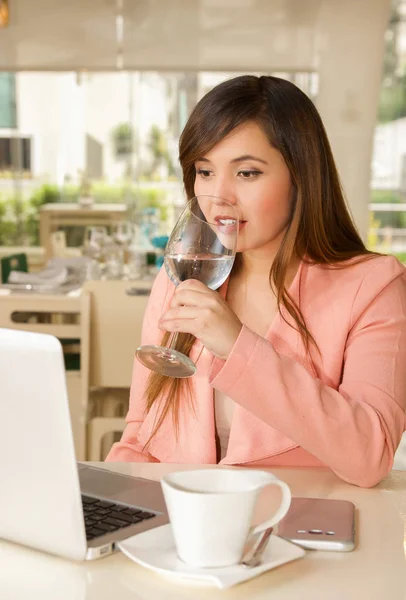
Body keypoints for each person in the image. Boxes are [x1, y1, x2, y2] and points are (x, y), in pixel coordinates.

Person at [106, 75, 406, 488]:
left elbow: (369, 456)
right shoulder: (184, 273)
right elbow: (143, 432)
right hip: (185, 535)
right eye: (205, 171)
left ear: (301, 176)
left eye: (247, 173)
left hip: (300, 531)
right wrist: (105, 502)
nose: (218, 197)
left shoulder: (373, 286)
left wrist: (237, 345)